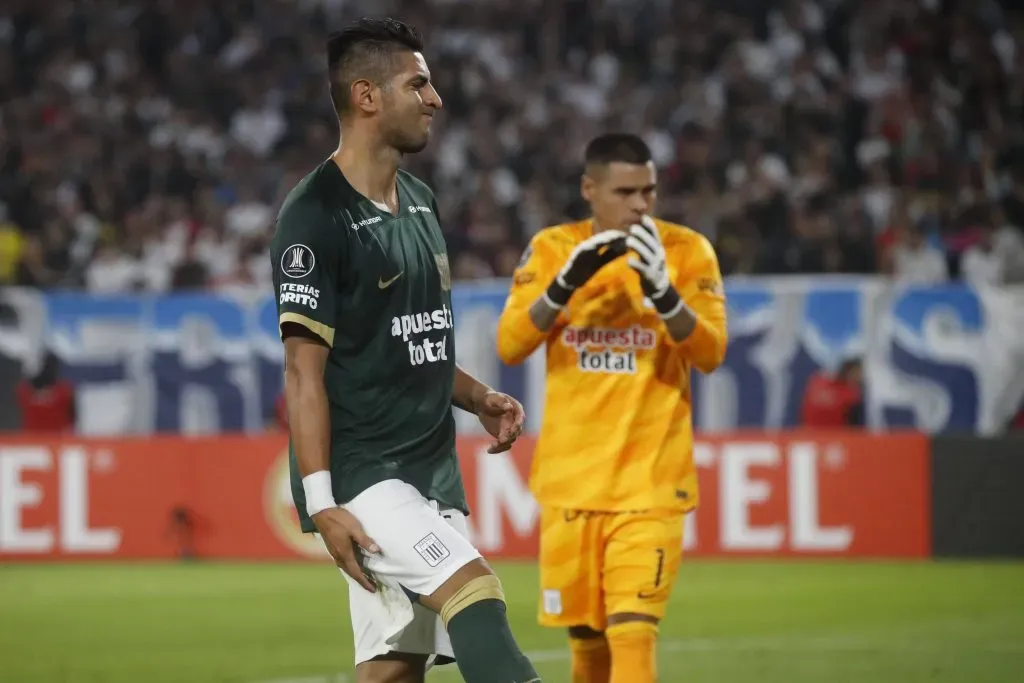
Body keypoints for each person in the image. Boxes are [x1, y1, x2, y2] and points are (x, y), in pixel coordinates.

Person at [269, 18, 540, 683]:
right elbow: (304, 375)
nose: (435, 98)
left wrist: (477, 397)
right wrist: (324, 501)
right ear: (367, 96)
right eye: (418, 83)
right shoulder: (313, 217)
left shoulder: (419, 201)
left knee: (393, 667)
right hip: (366, 474)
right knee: (473, 589)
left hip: (430, 467)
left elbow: (413, 338)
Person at [497, 133, 728, 683]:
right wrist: (562, 287)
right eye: (625, 192)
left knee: (633, 631)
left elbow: (711, 353)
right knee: (588, 647)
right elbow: (510, 345)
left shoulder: (686, 250)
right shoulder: (554, 248)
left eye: (648, 190)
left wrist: (665, 295)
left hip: (650, 485)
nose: (641, 204)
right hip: (570, 484)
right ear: (589, 189)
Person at [801, 356, 865, 428]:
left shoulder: (815, 381)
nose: (861, 376)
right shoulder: (851, 394)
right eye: (858, 372)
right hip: (834, 435)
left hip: (808, 434)